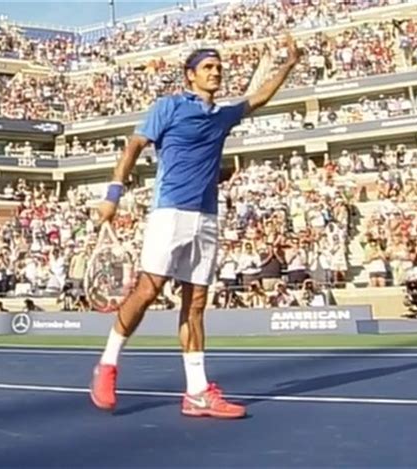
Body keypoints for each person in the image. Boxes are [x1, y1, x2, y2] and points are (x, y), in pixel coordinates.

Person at [90, 37, 302, 419]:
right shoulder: (168, 106)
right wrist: (112, 194)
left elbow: (260, 98)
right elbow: (133, 148)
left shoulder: (223, 114)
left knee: (197, 304)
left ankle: (197, 392)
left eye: (219, 67)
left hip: (207, 218)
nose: (216, 71)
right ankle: (107, 364)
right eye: (208, 67)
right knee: (148, 290)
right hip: (169, 213)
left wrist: (287, 65)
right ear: (190, 76)